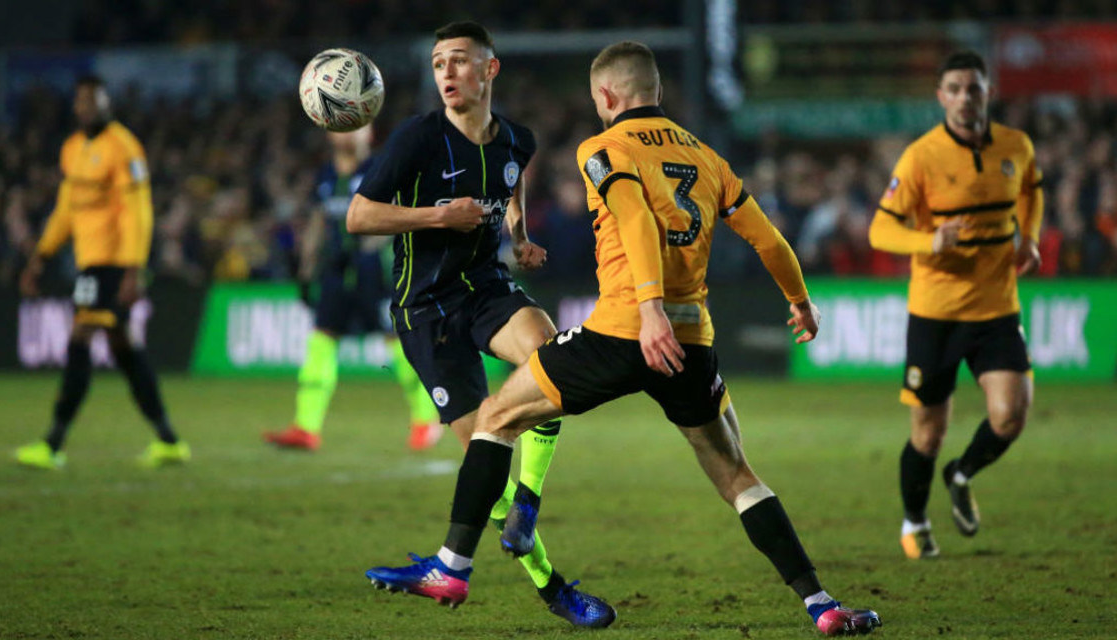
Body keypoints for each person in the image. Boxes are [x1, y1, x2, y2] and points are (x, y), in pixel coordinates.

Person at [366, 41, 882, 637]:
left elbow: (633, 216)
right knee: (738, 475)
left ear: (606, 97)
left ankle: (452, 567)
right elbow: (767, 238)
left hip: (623, 331)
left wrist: (650, 308)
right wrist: (799, 300)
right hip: (692, 343)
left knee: (494, 419)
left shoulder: (603, 148)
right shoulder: (706, 157)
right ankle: (820, 604)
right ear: (656, 93)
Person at [345, 22, 614, 627]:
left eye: (460, 61)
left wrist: (519, 236)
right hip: (425, 307)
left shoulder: (518, 140)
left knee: (552, 358)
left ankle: (529, 501)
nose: (447, 73)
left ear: (490, 70)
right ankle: (553, 589)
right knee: (482, 457)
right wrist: (438, 217)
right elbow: (359, 217)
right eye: (439, 62)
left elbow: (510, 188)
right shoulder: (418, 138)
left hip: (485, 287)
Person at [868, 51, 1043, 560]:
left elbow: (1031, 190)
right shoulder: (921, 157)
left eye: (974, 87)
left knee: (1011, 416)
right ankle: (915, 521)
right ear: (941, 96)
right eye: (955, 88)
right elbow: (880, 229)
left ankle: (961, 473)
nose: (966, 96)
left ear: (988, 92)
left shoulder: (1017, 146)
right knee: (927, 433)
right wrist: (929, 242)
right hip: (936, 315)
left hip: (996, 309)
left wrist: (1028, 237)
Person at [15, 75, 189, 470]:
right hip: (89, 260)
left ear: (107, 104)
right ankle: (168, 439)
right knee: (123, 348)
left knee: (80, 339)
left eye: (93, 101)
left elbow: (138, 212)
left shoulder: (123, 147)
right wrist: (41, 255)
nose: (86, 107)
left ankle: (53, 442)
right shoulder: (73, 149)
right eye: (80, 101)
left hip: (111, 262)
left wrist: (133, 269)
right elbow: (66, 209)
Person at [262, 126, 443, 451]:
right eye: (340, 127)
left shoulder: (380, 169)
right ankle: (306, 426)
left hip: (374, 271)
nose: (347, 133)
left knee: (398, 345)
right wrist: (305, 270)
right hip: (335, 270)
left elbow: (396, 216)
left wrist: (371, 245)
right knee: (321, 341)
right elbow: (319, 220)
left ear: (370, 133)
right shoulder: (327, 174)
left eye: (357, 126)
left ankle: (425, 419)